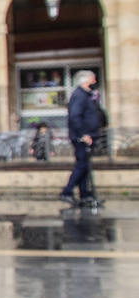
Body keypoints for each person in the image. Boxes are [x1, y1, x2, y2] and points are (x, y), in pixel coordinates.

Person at [60, 69, 101, 206]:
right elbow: (75, 117)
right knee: (82, 165)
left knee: (85, 166)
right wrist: (83, 134)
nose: (94, 82)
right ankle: (67, 191)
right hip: (82, 137)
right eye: (92, 79)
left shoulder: (87, 95)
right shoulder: (79, 95)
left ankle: (85, 195)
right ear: (84, 81)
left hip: (87, 136)